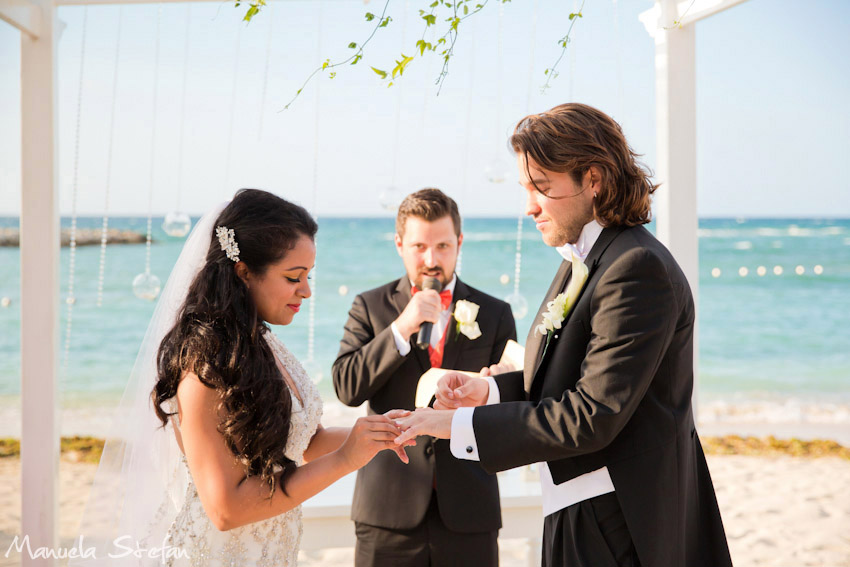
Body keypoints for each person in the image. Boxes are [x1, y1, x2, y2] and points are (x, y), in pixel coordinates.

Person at [394, 104, 733, 567]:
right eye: (525, 189)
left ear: (592, 179)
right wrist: (489, 391)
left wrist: (452, 425)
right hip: (579, 506)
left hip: (621, 521)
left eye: (542, 187)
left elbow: (593, 413)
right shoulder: (584, 260)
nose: (529, 205)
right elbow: (572, 376)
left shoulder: (635, 267)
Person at [73, 189, 411, 567]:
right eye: (293, 277)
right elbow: (225, 510)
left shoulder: (263, 344)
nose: (307, 291)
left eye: (308, 276)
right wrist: (346, 461)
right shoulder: (204, 368)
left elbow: (302, 439)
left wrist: (381, 430)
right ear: (244, 271)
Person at [333, 188, 517, 567]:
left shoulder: (496, 313)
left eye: (443, 246)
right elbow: (346, 388)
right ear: (400, 244)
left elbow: (513, 407)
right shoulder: (369, 307)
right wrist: (401, 328)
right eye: (419, 246)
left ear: (460, 242)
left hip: (470, 510)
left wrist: (491, 388)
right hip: (386, 512)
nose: (431, 260)